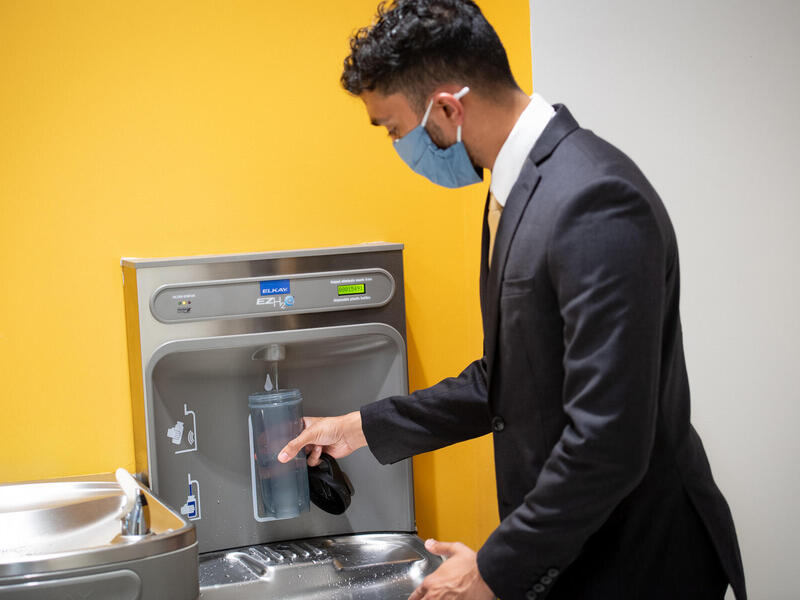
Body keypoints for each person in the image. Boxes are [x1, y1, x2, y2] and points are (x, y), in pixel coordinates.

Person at [278, 1, 747, 598]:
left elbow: (608, 442)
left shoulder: (593, 199)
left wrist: (490, 570)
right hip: (580, 550)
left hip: (637, 561)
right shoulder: (514, 192)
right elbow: (507, 381)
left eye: (396, 129)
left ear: (446, 108)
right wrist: (360, 427)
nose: (399, 147)